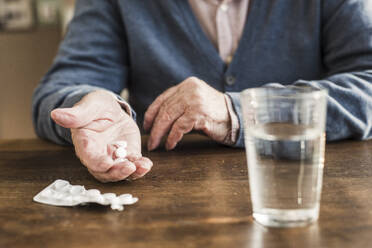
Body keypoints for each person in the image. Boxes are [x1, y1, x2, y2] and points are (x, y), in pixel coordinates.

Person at [32, 0, 372, 182]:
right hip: (157, 208)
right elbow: (61, 87)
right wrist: (89, 110)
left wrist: (236, 112)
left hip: (309, 195)